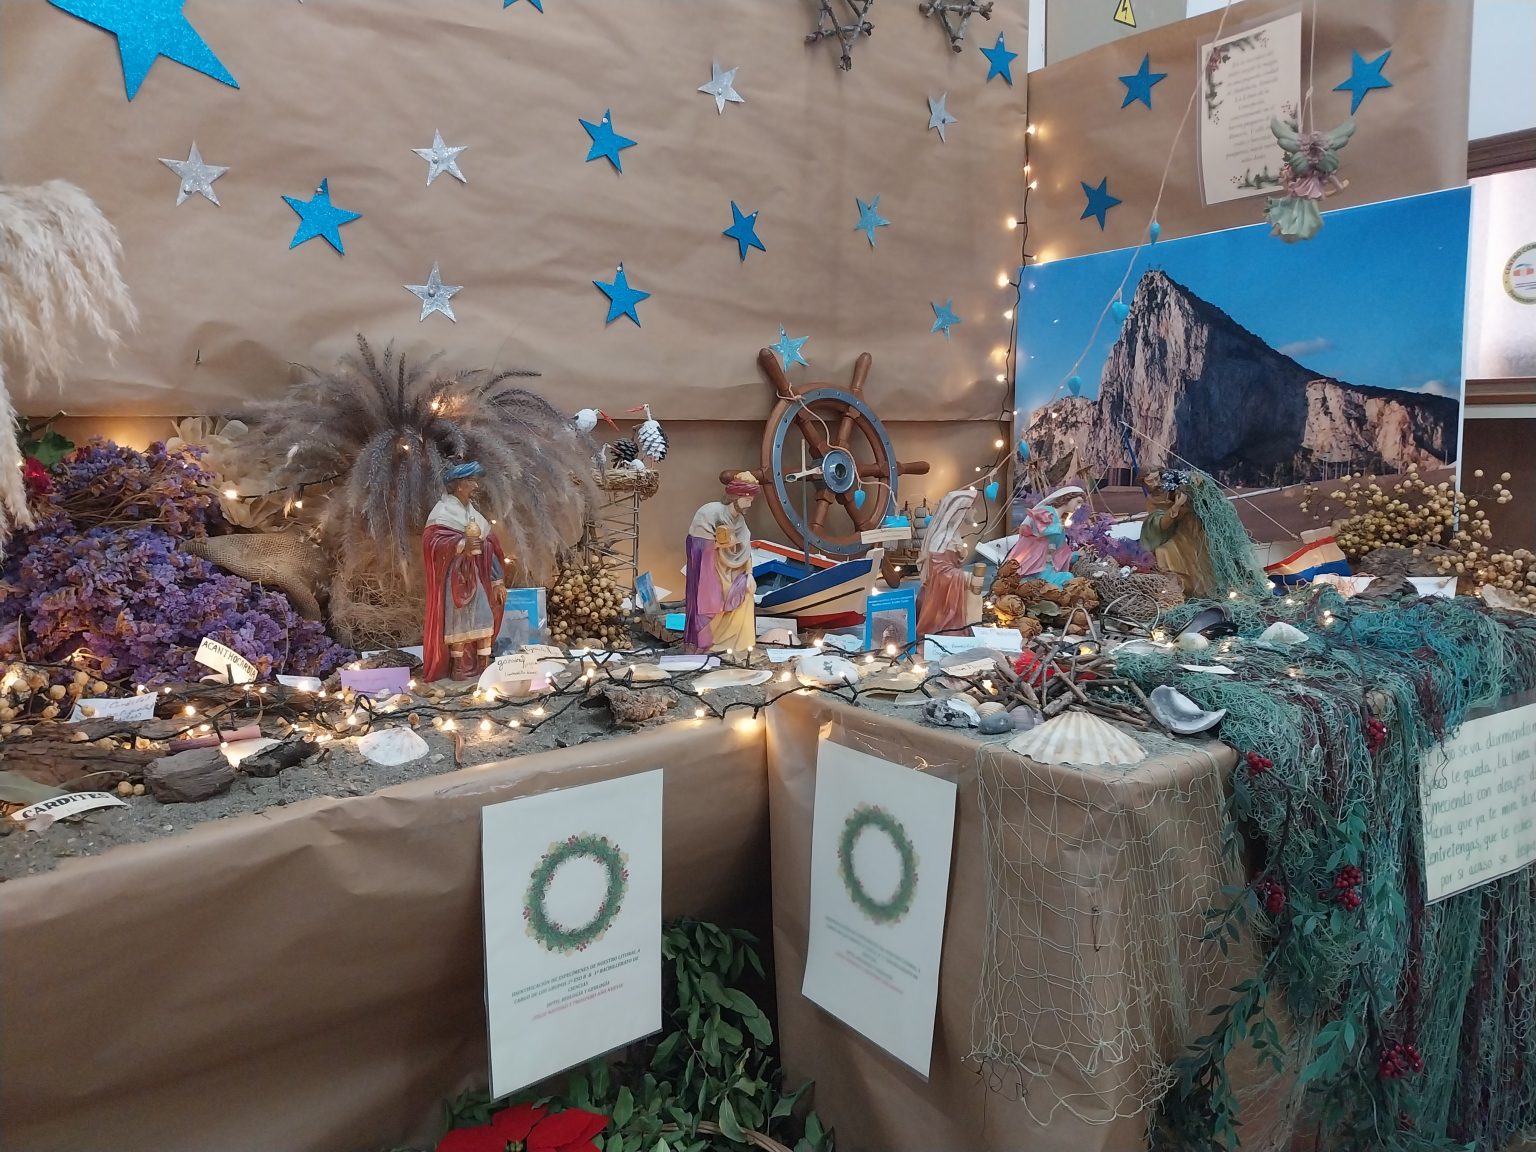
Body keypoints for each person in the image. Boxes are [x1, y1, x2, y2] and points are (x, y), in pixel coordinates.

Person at [422, 461, 507, 682]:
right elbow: (432, 543)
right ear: (459, 485)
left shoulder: (473, 514)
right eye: (471, 481)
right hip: (455, 580)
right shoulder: (442, 512)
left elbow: (489, 545)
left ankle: (483, 665)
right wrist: (460, 545)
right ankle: (457, 667)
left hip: (476, 578)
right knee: (456, 622)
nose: (476, 486)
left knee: (484, 617)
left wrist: (497, 581)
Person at [684, 473, 760, 654]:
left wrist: (749, 574)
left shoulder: (739, 520)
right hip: (710, 569)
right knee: (714, 601)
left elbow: (746, 549)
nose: (749, 504)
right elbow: (696, 545)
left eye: (751, 500)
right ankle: (710, 644)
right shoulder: (709, 512)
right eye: (747, 499)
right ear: (736, 497)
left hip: (732, 569)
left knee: (746, 592)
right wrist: (718, 544)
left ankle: (737, 646)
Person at [1139, 468, 1217, 597]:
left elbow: (1198, 487)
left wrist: (1193, 484)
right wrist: (1176, 507)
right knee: (1162, 552)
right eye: (1150, 481)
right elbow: (1160, 524)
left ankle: (1202, 587)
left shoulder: (1176, 484)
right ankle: (1182, 590)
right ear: (1144, 483)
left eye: (1157, 478)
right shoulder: (1151, 500)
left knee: (1196, 549)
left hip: (1193, 527)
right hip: (1174, 532)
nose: (1156, 483)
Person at [916, 488, 979, 637]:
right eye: (971, 508)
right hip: (940, 604)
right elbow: (939, 572)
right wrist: (966, 578)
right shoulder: (942, 539)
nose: (974, 511)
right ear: (961, 510)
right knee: (947, 631)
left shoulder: (952, 534)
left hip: (949, 596)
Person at [1006, 485, 1086, 587]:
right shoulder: (1046, 512)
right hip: (1034, 562)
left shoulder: (1060, 521)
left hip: (1047, 564)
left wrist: (1077, 555)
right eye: (1078, 502)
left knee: (1067, 577)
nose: (1078, 507)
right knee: (1055, 582)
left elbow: (1061, 551)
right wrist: (1060, 526)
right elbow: (1043, 530)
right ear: (1068, 498)